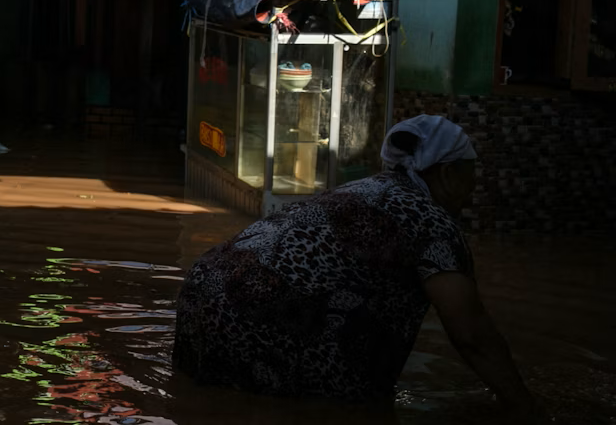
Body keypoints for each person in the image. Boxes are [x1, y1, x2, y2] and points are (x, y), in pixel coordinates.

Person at [173, 115, 539, 419]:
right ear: (445, 173)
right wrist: (526, 408)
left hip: (204, 293)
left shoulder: (366, 189)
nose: (474, 187)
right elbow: (471, 334)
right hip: (260, 314)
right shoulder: (432, 222)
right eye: (469, 174)